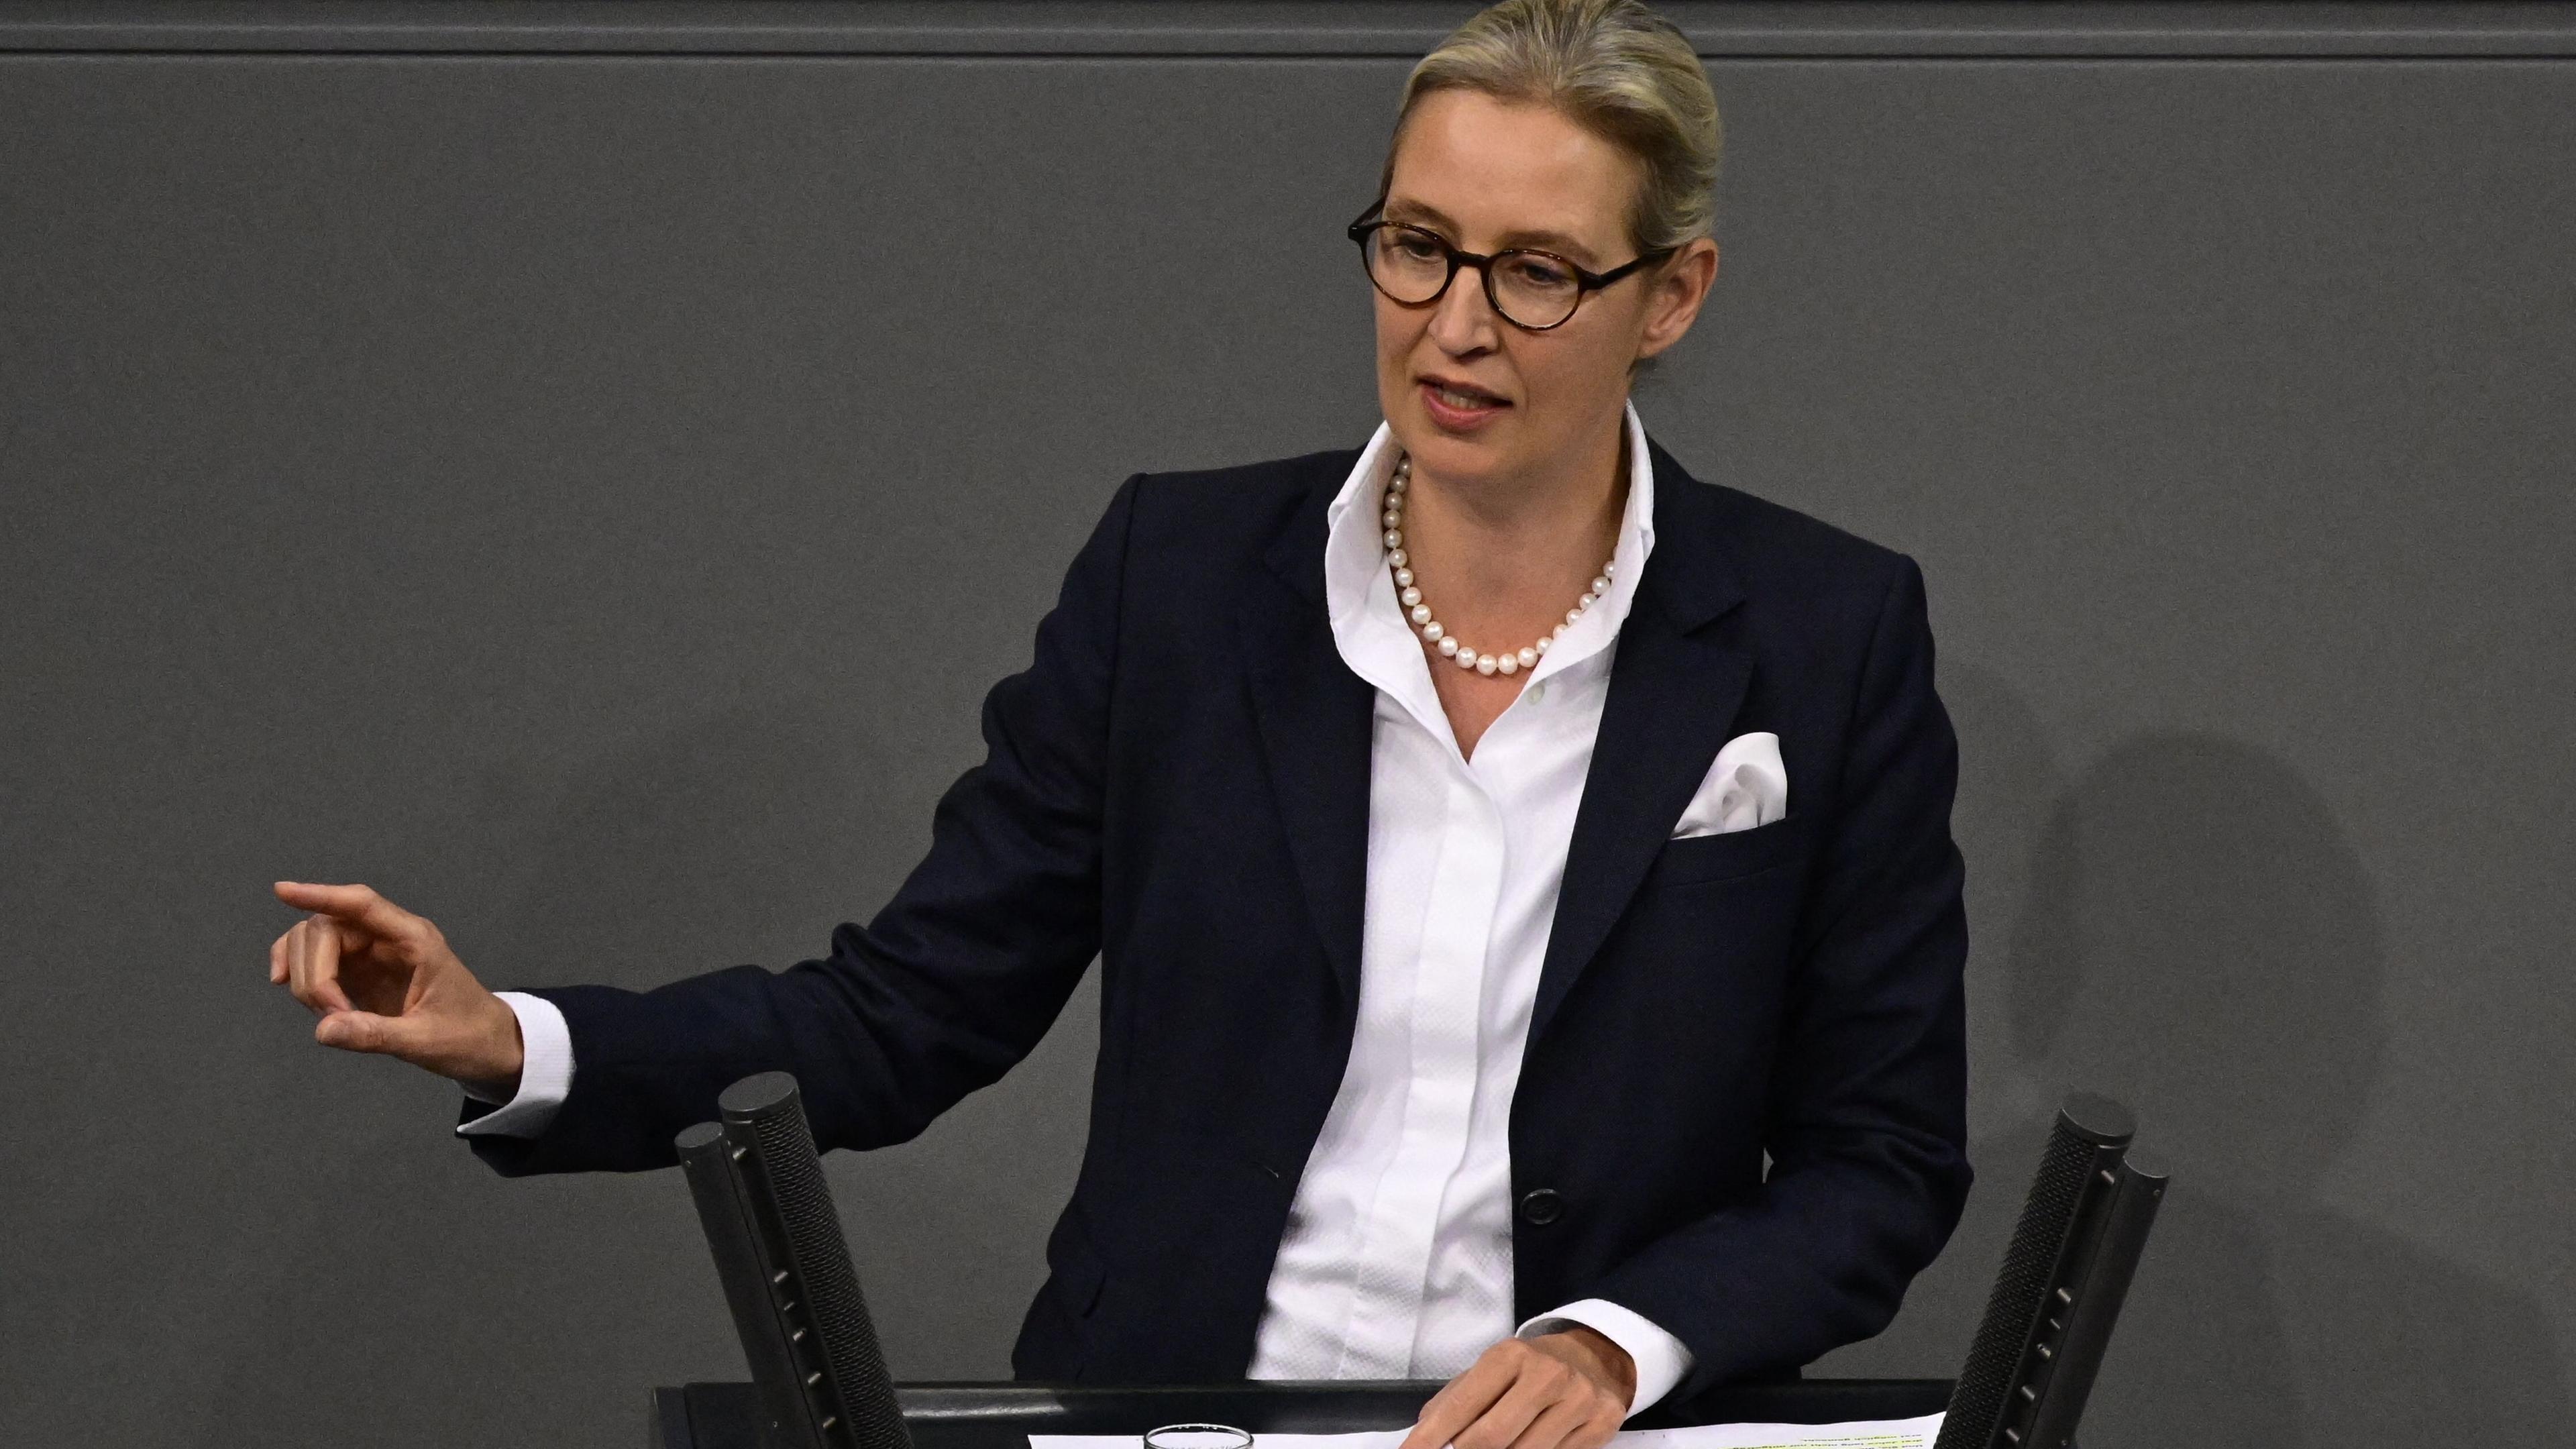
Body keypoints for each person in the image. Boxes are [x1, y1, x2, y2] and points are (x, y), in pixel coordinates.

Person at [265, 3, 1970, 1447]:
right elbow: (905, 1011)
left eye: (1536, 273)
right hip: (1181, 1408)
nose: (1455, 320)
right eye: (1417, 245)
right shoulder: (1182, 580)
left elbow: (1878, 1157)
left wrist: (1616, 1342)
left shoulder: (1823, 636)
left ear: (1669, 298)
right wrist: (520, 1043)